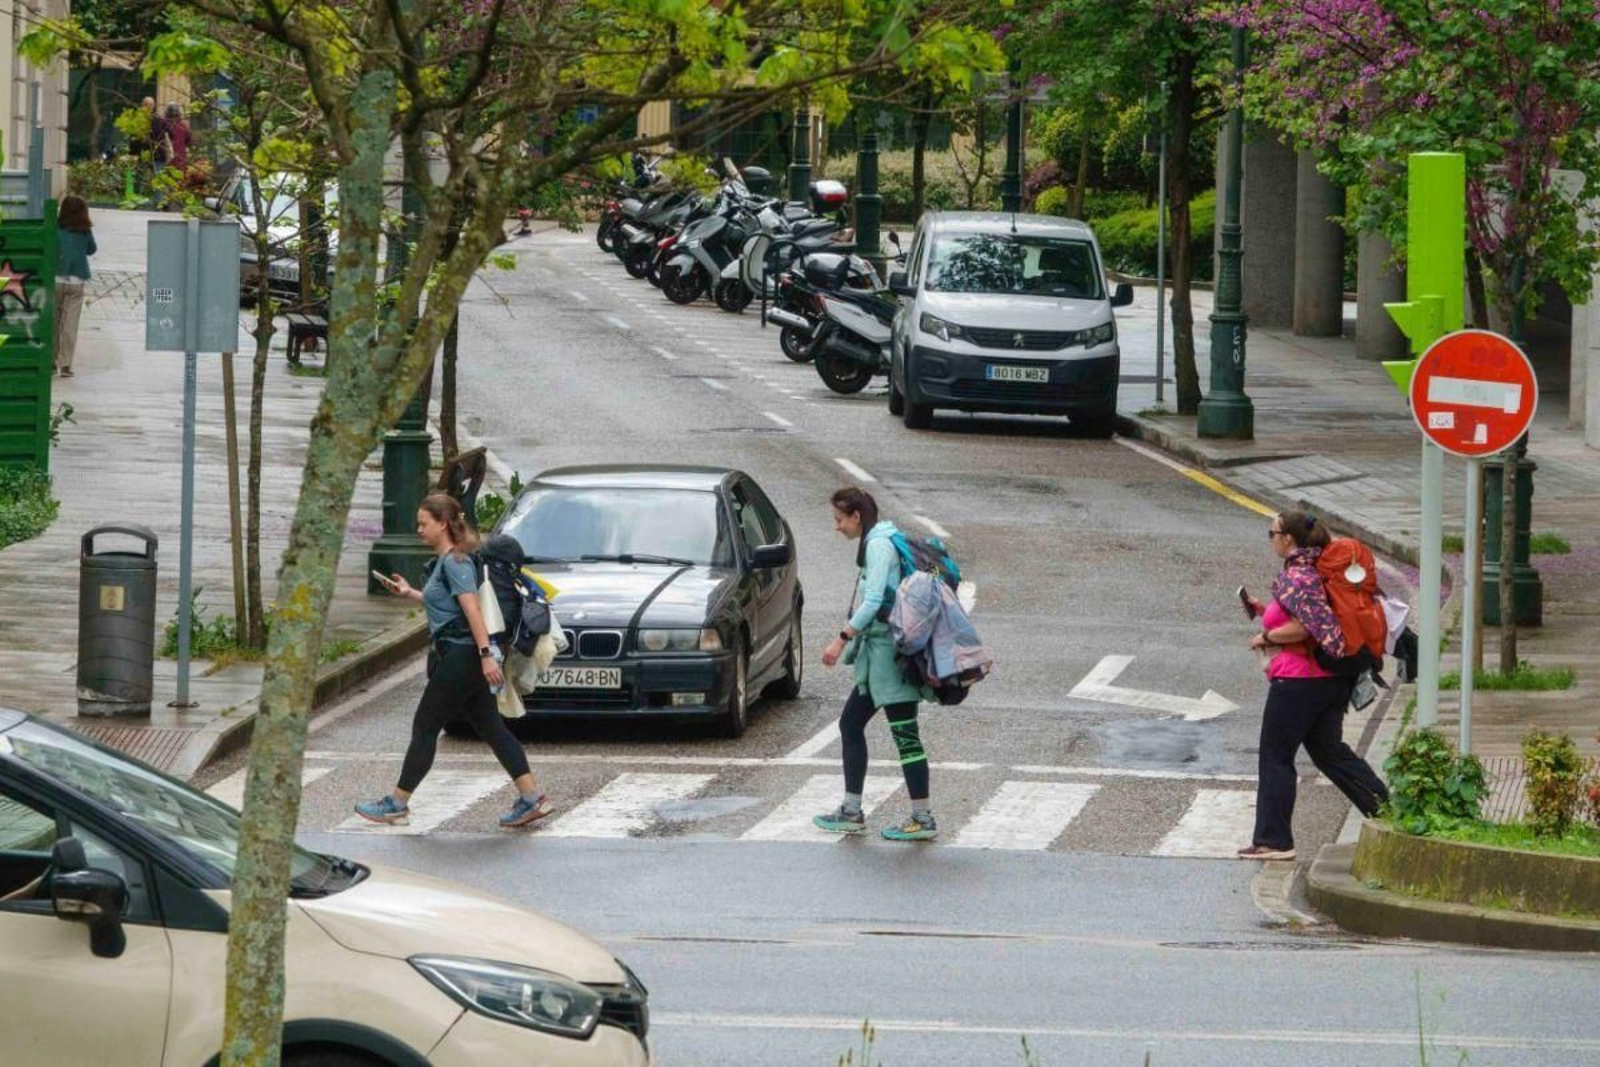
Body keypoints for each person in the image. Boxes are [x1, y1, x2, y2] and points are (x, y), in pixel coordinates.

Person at [356, 493, 552, 829]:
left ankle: (396, 803)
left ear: (443, 524)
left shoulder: (456, 562)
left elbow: (472, 610)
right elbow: (448, 606)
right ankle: (531, 798)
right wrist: (410, 594)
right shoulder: (450, 561)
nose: (419, 530)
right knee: (491, 728)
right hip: (466, 654)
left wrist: (486, 655)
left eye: (424, 524)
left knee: (425, 726)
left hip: (463, 655)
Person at [1239, 510, 1389, 860]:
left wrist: (1265, 636)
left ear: (1288, 539)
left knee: (1276, 757)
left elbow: (1308, 628)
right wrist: (1266, 611)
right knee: (1329, 753)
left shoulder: (1301, 575)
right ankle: (1387, 812)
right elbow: (1312, 616)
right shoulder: (1321, 567)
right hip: (1330, 680)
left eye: (1272, 532)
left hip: (1299, 683)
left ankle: (1274, 841)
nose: (1271, 538)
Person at [813, 487, 937, 841]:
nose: (836, 527)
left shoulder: (879, 546)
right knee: (853, 724)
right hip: (882, 657)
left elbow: (871, 602)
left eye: (839, 519)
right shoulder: (881, 539)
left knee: (903, 735)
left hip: (890, 658)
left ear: (856, 517)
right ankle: (854, 811)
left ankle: (921, 818)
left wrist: (841, 638)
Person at [54, 195, 96, 378]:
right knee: (70, 325)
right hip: (76, 281)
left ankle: (50, 361)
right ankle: (65, 365)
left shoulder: (55, 228)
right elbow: (92, 249)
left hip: (55, 279)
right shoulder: (85, 230)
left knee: (53, 322)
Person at [163, 103, 191, 173]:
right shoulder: (183, 126)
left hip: (166, 158)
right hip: (180, 158)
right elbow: (189, 140)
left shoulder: (163, 125)